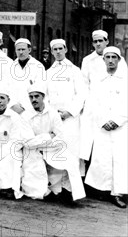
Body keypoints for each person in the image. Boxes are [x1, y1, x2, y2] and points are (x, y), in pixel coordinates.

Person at [21, 83, 86, 203]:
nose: (34, 100)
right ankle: (47, 191)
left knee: (69, 160)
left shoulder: (53, 113)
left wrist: (42, 142)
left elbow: (60, 137)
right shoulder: (25, 116)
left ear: (43, 97)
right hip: (32, 152)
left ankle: (69, 191)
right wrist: (48, 136)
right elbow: (27, 142)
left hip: (52, 148)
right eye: (31, 97)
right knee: (35, 188)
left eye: (36, 96)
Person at [85, 47, 128, 208]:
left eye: (113, 57)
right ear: (103, 60)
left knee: (120, 159)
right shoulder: (98, 80)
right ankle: (103, 190)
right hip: (102, 125)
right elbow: (92, 103)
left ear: (119, 59)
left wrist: (118, 120)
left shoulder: (125, 79)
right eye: (107, 57)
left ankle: (118, 193)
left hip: (121, 126)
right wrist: (103, 120)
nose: (110, 60)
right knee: (102, 158)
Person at [0, 87, 31, 199]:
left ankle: (9, 188)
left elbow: (15, 141)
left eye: (2, 98)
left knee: (11, 158)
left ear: (8, 100)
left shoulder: (15, 118)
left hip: (10, 152)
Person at [45, 39, 85, 172]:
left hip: (71, 117)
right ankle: (57, 189)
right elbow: (46, 96)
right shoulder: (48, 73)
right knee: (56, 150)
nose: (58, 52)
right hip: (55, 117)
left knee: (71, 148)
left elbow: (81, 95)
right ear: (51, 52)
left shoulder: (75, 70)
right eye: (55, 49)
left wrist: (69, 112)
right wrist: (53, 113)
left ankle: (71, 188)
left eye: (60, 48)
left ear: (66, 50)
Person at [80, 30, 111, 162]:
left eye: (101, 41)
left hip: (109, 103)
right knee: (89, 138)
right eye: (95, 41)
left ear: (107, 42)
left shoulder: (115, 58)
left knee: (106, 138)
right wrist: (86, 103)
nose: (98, 44)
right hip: (92, 103)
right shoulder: (87, 60)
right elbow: (84, 83)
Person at [8, 38, 47, 116]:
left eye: (23, 49)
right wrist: (12, 105)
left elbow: (41, 89)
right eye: (18, 50)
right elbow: (6, 88)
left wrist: (26, 108)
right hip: (13, 109)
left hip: (31, 110)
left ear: (29, 50)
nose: (21, 52)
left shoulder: (38, 66)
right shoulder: (10, 66)